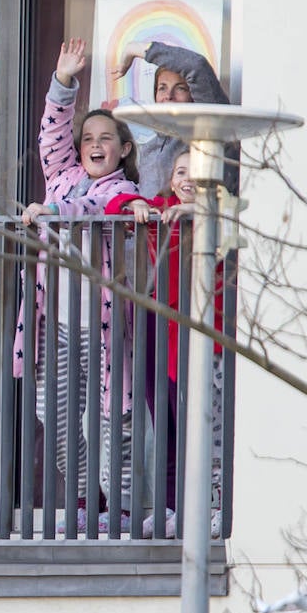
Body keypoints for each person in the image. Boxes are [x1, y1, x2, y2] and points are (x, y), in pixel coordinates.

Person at [13, 38, 140, 535]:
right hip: (58, 325)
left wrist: (53, 213)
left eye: (106, 138)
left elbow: (95, 211)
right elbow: (51, 137)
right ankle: (86, 499)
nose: (95, 144)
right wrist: (63, 83)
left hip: (103, 332)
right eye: (88, 137)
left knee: (111, 421)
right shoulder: (62, 178)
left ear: (123, 149)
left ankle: (124, 507)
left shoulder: (121, 192)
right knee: (60, 417)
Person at [105, 149, 225, 537]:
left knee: (208, 426)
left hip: (206, 333)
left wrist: (198, 213)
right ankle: (175, 506)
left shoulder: (224, 213)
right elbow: (113, 206)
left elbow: (229, 226)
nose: (187, 179)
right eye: (180, 171)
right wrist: (136, 202)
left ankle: (214, 506)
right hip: (163, 329)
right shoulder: (162, 209)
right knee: (169, 426)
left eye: (197, 171)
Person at [115, 40, 237, 197]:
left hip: (203, 221)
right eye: (162, 88)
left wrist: (133, 49)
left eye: (180, 88)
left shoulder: (211, 134)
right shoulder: (149, 146)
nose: (169, 96)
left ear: (194, 95)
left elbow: (196, 66)